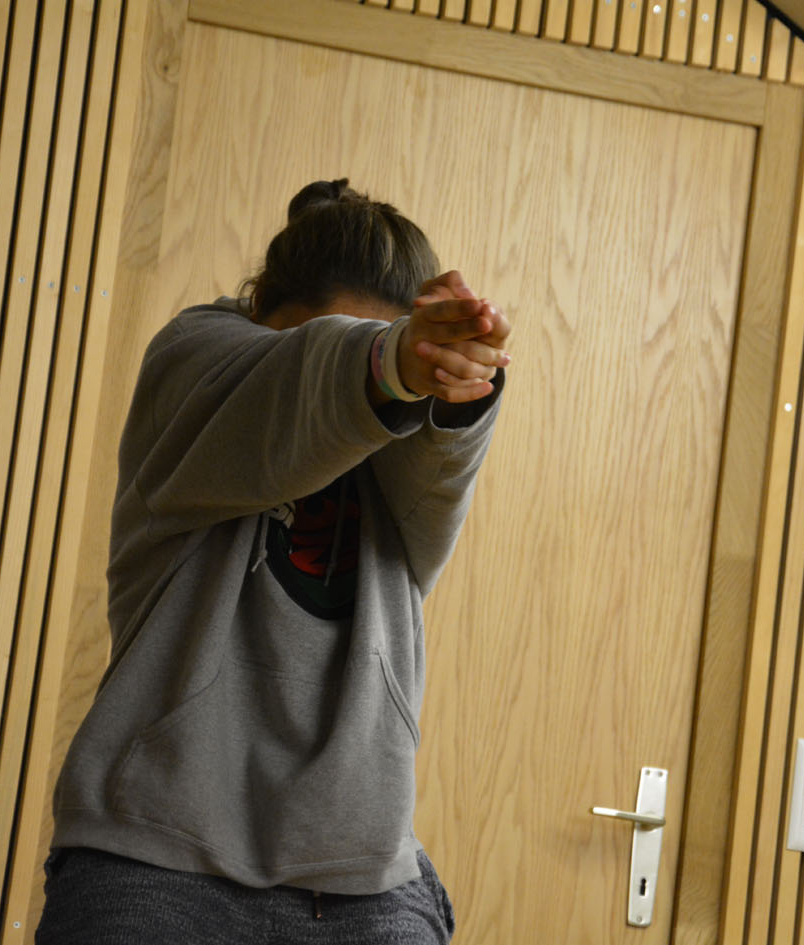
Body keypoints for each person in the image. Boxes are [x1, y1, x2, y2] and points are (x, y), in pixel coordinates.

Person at [37, 179, 510, 944]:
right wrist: (390, 359)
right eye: (336, 337)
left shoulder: (415, 442)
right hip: (153, 858)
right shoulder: (195, 360)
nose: (388, 383)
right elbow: (297, 381)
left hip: (365, 873)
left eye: (395, 346)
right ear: (259, 311)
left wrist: (455, 379)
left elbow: (441, 462)